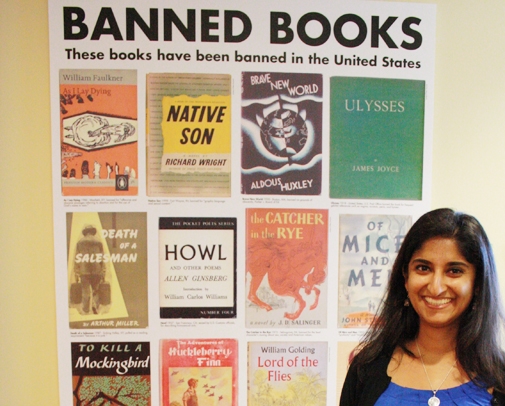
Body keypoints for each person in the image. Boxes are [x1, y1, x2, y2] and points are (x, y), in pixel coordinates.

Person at [340, 208, 505, 405]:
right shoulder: (365, 369)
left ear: (477, 283)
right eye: (423, 268)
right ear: (405, 277)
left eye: (454, 271)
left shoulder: (500, 376)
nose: (436, 288)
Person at [73, 224, 106, 314]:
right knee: (96, 290)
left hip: (84, 271)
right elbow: (102, 258)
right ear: (92, 232)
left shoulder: (80, 243)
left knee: (86, 292)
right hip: (97, 270)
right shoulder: (98, 242)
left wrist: (76, 272)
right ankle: (96, 307)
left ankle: (86, 310)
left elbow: (77, 259)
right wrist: (103, 272)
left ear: (85, 232)